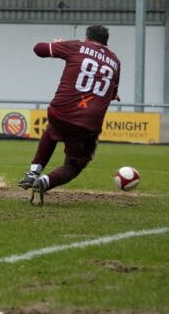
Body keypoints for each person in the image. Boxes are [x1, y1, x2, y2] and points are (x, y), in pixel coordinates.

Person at [18, 25, 120, 205]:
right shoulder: (115, 61)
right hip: (88, 123)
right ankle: (44, 182)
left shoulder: (76, 46)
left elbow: (38, 49)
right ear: (106, 41)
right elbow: (113, 94)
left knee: (52, 130)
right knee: (74, 165)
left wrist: (60, 44)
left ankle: (33, 172)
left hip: (61, 110)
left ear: (87, 38)